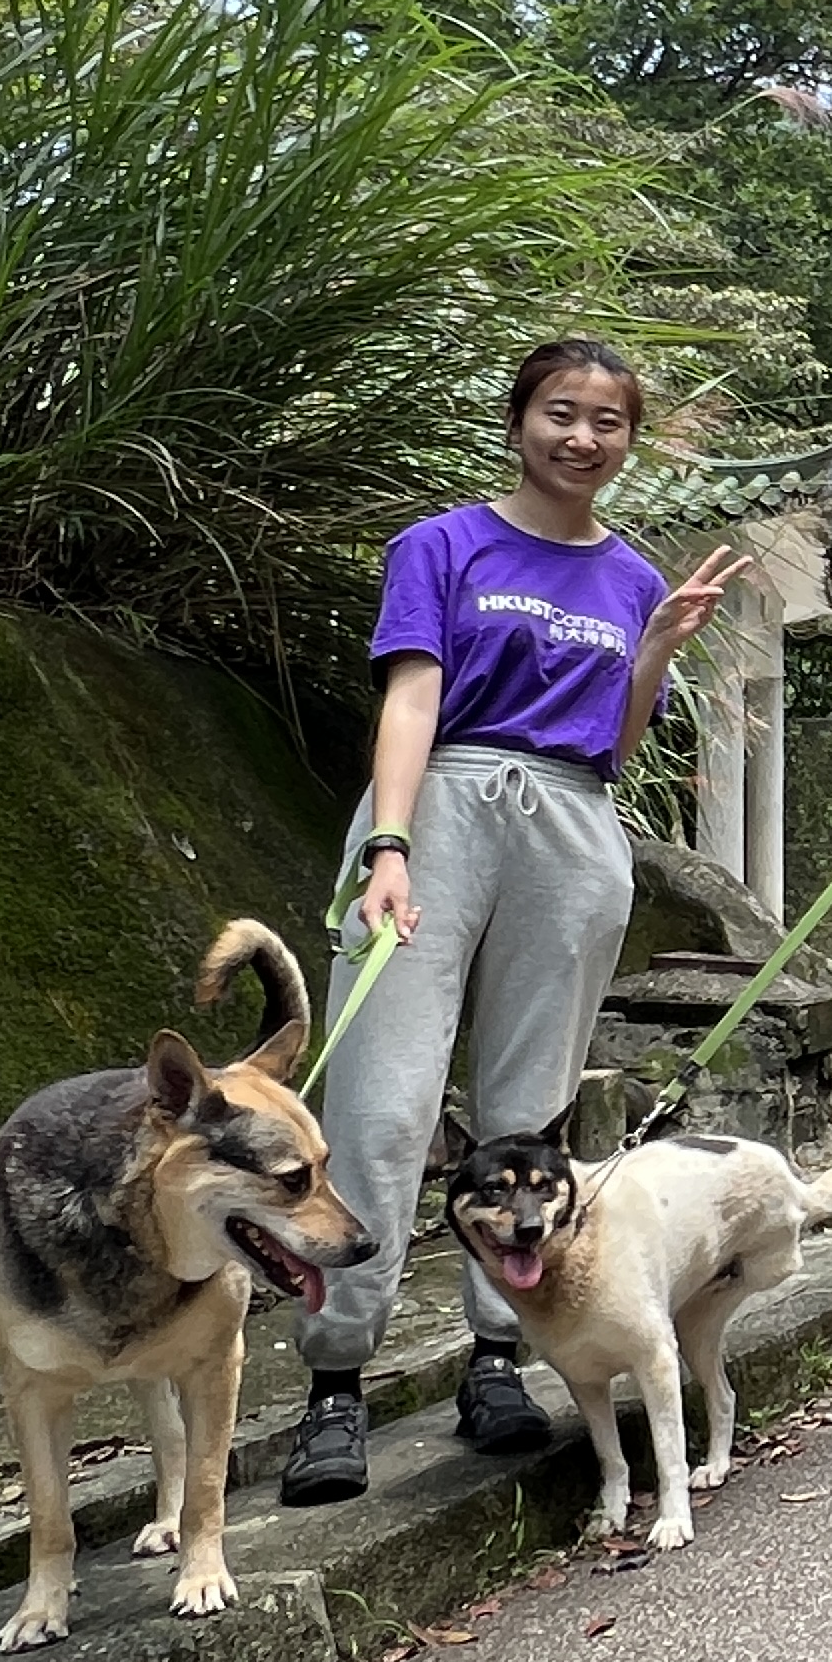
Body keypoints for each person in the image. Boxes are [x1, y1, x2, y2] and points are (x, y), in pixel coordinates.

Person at [282, 339, 750, 1504]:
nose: (583, 438)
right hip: (442, 801)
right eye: (562, 413)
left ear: (629, 443)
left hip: (573, 823)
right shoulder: (444, 544)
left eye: (609, 422)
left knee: (529, 1112)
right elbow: (413, 696)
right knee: (381, 1107)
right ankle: (336, 1381)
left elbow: (618, 743)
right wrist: (387, 844)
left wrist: (653, 652)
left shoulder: (637, 577)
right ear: (519, 420)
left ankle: (501, 1355)